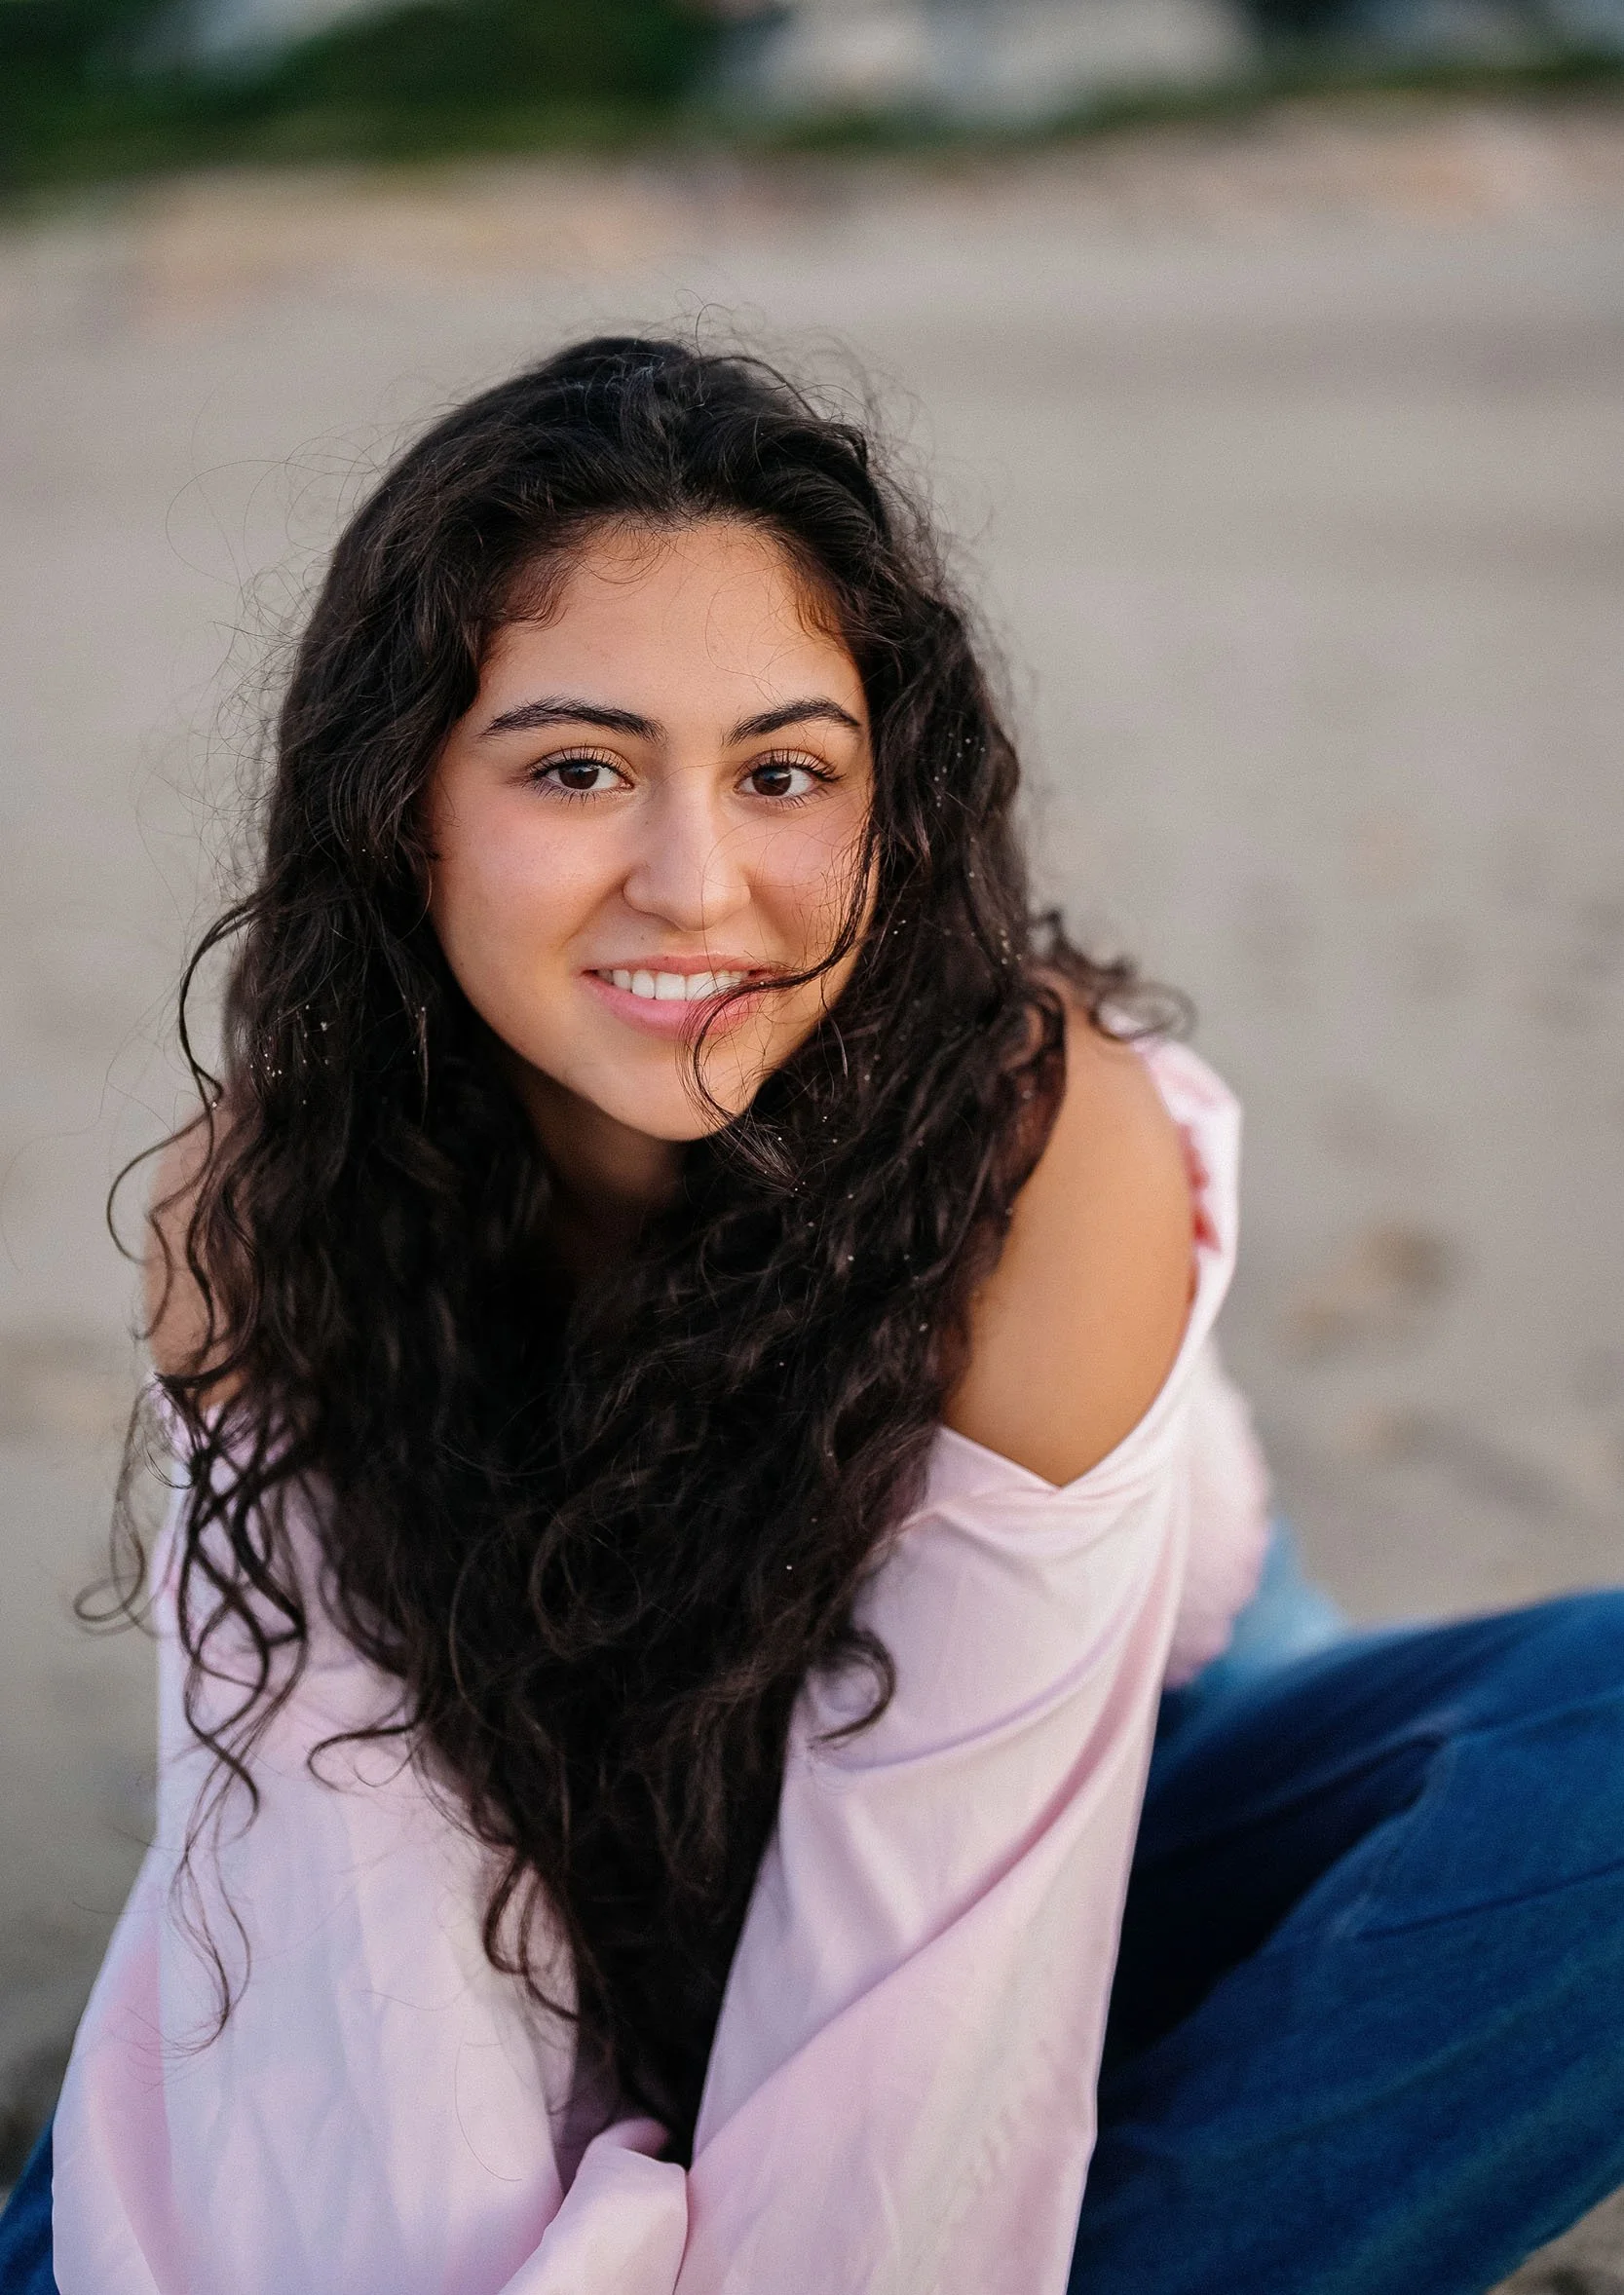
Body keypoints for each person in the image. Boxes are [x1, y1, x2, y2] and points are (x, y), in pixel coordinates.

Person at [3, 336, 1622, 2295]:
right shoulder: (264, 1213)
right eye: (578, 766)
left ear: (886, 800)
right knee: (148, 2198)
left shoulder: (1037, 1150)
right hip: (592, 1841)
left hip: (1093, 1786)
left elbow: (920, 2000)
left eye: (783, 772)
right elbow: (361, 1894)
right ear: (401, 802)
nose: (698, 886)